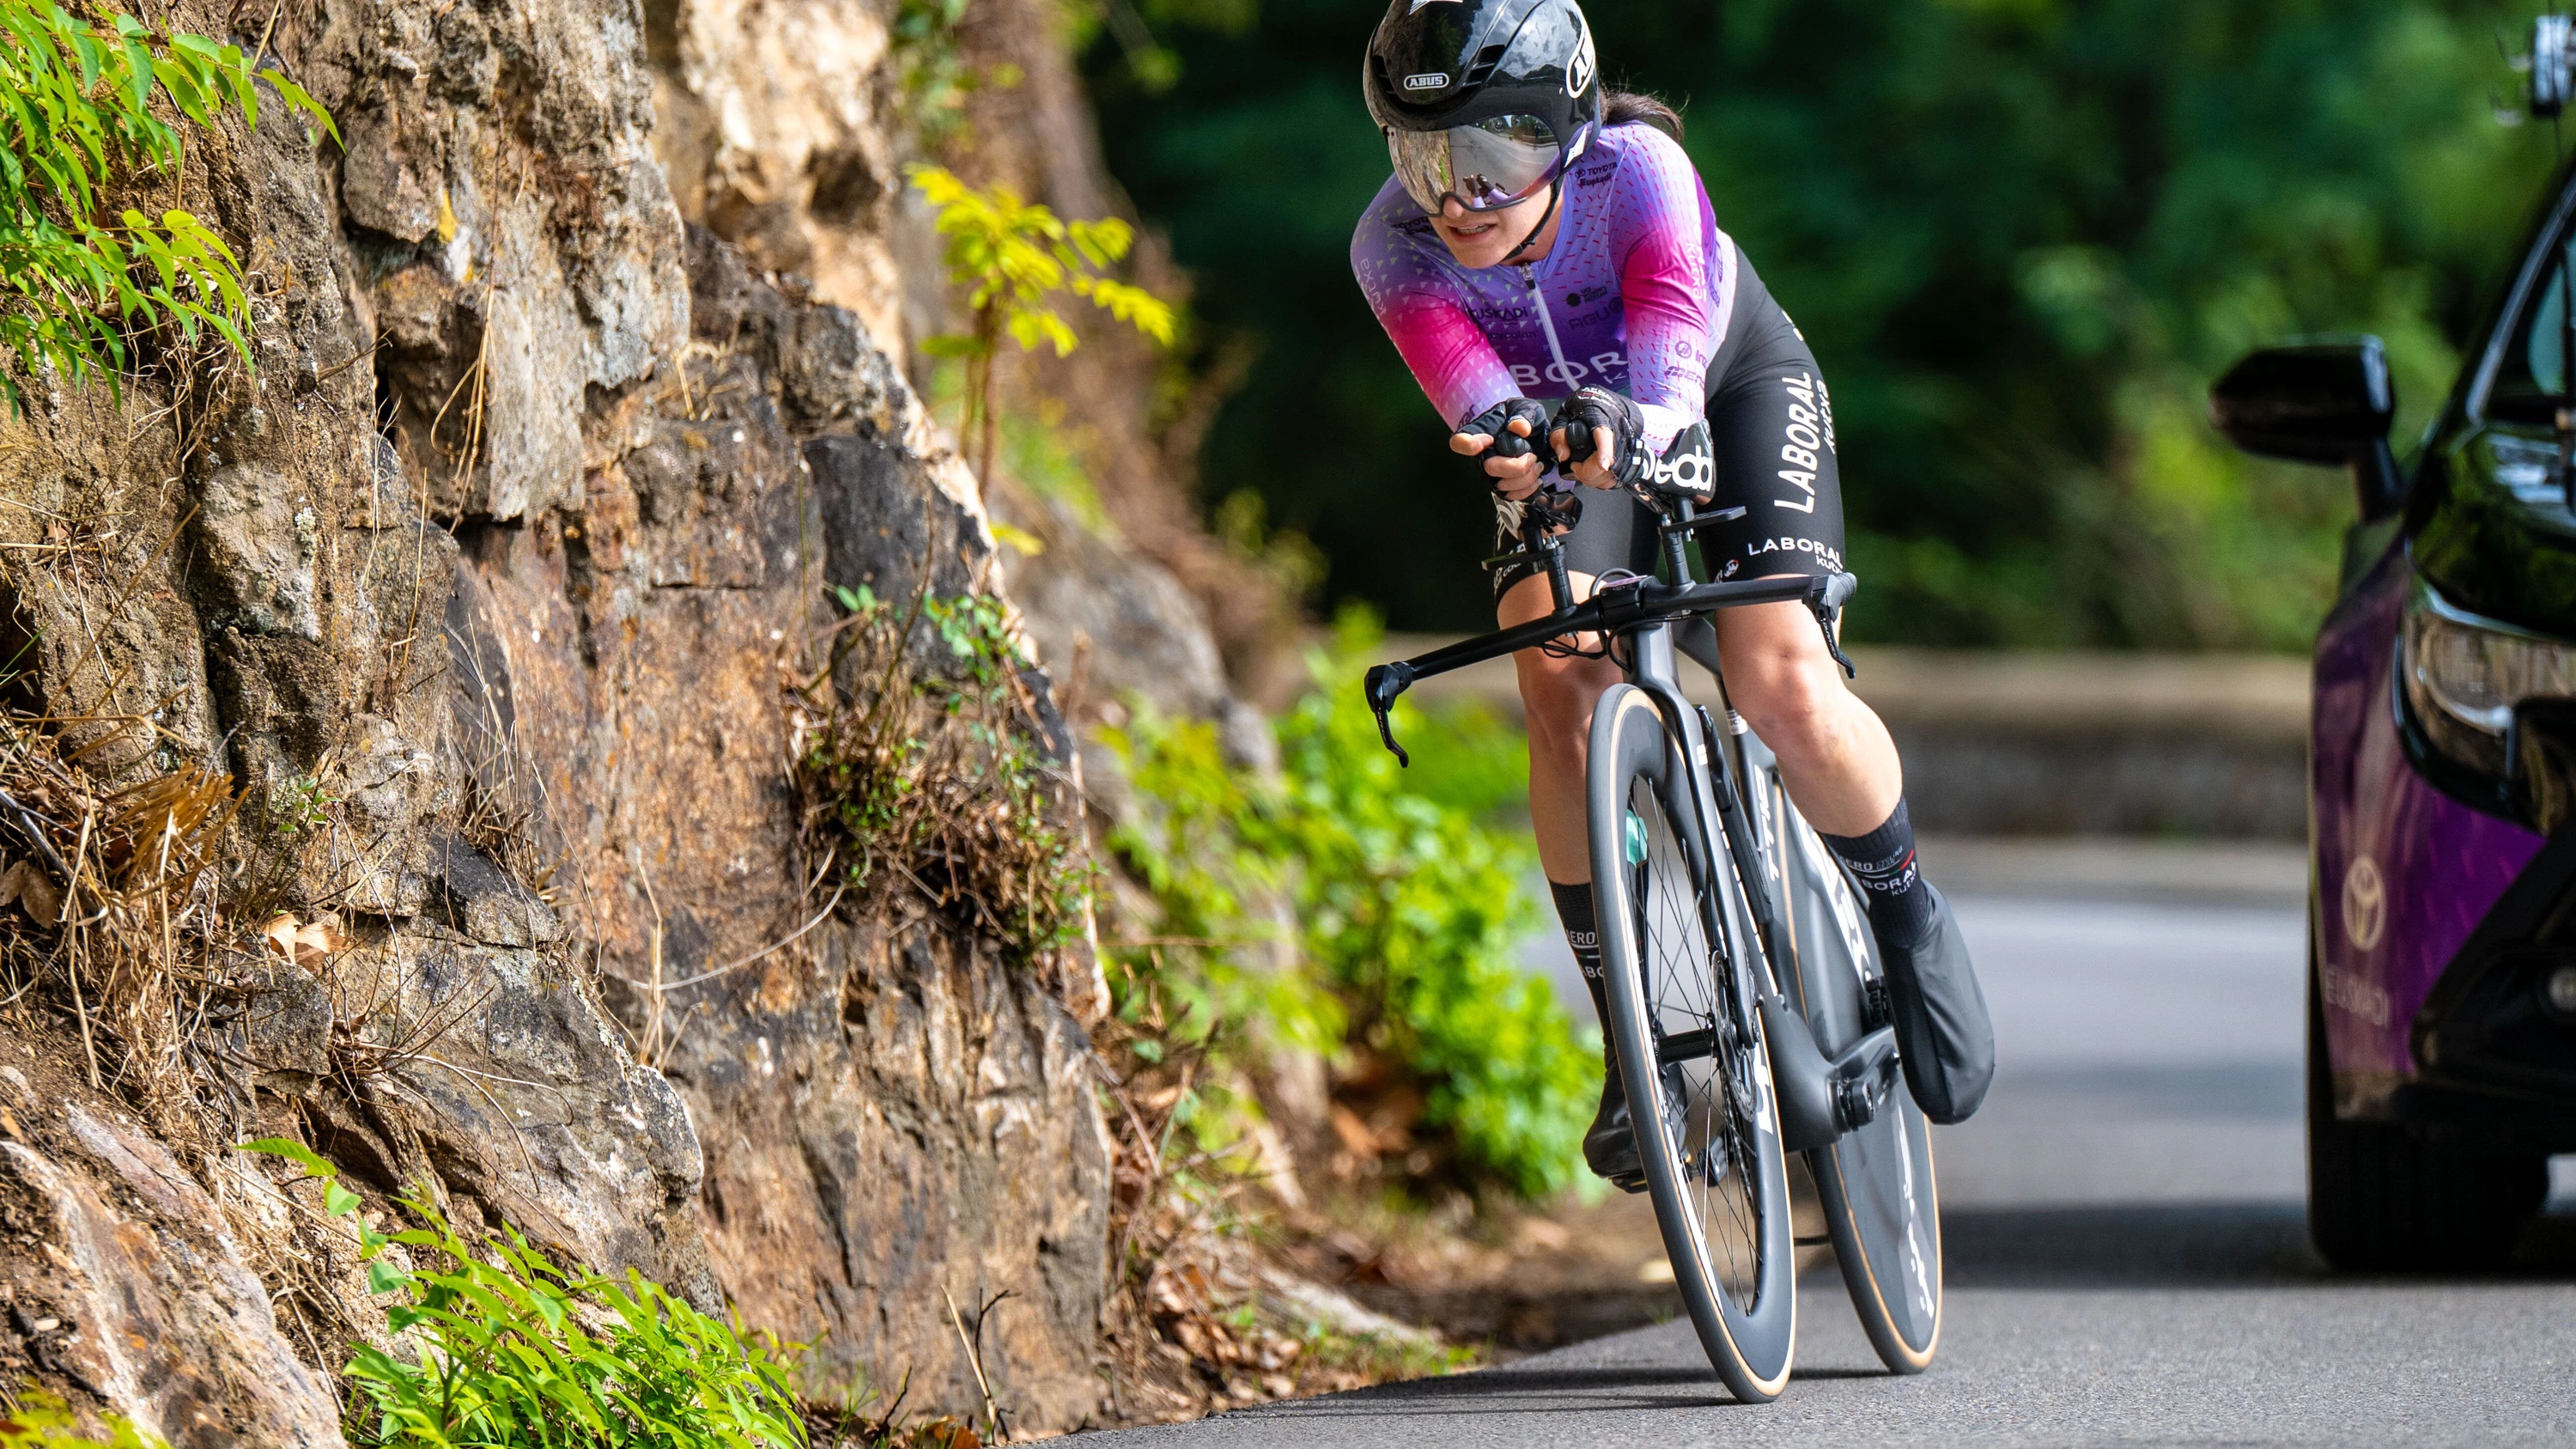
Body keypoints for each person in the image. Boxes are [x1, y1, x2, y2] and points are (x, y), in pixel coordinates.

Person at [1351, 0, 1991, 1180]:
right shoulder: (1390, 249)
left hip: (1715, 389)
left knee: (1774, 673)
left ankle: (1907, 915)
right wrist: (1515, 446)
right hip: (1573, 442)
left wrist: (1613, 432)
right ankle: (1634, 1033)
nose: (1454, 194)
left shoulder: (1640, 176)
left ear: (1558, 134)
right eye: (1421, 155)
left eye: (1490, 156)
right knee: (1551, 656)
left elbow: (1671, 397)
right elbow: (1487, 413)